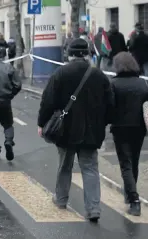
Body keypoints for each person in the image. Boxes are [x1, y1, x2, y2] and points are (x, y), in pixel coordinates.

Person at [37, 38, 114, 222]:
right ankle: (93, 208)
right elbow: (111, 104)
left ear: (69, 54)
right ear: (87, 54)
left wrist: (41, 123)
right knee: (90, 169)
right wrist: (103, 123)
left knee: (65, 166)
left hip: (66, 130)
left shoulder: (60, 73)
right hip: (92, 131)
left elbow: (48, 101)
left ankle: (61, 199)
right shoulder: (99, 75)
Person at [109, 52, 148, 216]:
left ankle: (134, 200)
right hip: (138, 129)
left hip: (120, 129)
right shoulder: (142, 83)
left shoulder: (114, 84)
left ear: (117, 66)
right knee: (134, 162)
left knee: (125, 164)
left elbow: (109, 107)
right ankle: (130, 194)